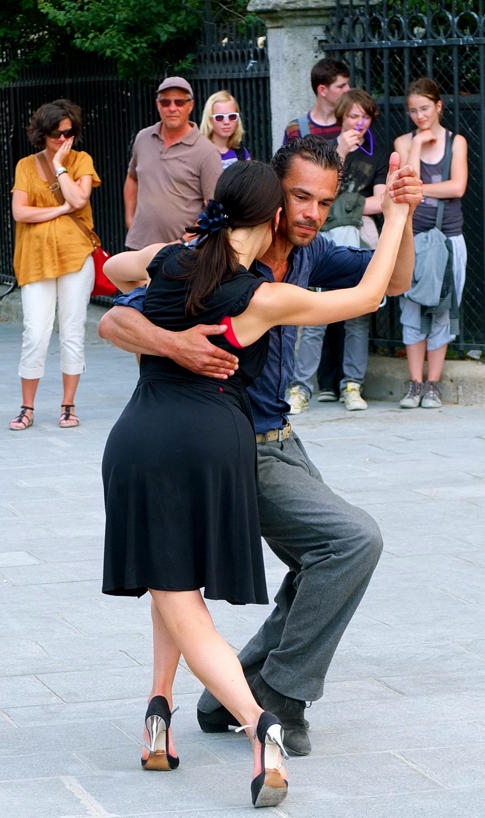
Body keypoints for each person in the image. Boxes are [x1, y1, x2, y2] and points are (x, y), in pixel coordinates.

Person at [101, 156, 410, 807]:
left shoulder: (176, 258)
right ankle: (260, 714)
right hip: (220, 443)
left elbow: (113, 271)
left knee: (173, 583)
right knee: (185, 586)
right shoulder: (260, 297)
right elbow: (365, 299)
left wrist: (167, 322)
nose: (309, 214)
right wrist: (400, 214)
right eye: (296, 201)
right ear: (270, 213)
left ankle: (183, 706)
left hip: (152, 437)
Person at [288, 90, 390, 413]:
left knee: (358, 316)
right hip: (327, 238)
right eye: (353, 116)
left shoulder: (377, 152)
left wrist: (343, 207)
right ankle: (300, 388)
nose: (360, 123)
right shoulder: (329, 150)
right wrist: (341, 152)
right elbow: (322, 191)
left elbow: (382, 201)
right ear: (341, 118)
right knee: (314, 316)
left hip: (359, 238)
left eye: (365, 117)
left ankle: (352, 385)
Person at [9, 99, 101, 430]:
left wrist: (61, 166)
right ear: (42, 134)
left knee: (73, 330)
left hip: (75, 255)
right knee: (35, 331)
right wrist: (60, 211)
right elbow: (21, 212)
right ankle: (27, 406)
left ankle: (68, 405)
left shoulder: (81, 160)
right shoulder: (26, 165)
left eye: (68, 133)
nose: (63, 140)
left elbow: (79, 199)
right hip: (35, 258)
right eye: (55, 135)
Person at [394, 78, 468, 409]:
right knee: (411, 308)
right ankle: (415, 384)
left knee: (442, 308)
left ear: (438, 106)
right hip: (413, 237)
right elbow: (405, 178)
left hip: (449, 238)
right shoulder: (403, 141)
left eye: (425, 108)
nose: (419, 115)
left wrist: (419, 190)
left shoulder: (457, 142)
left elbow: (457, 187)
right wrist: (419, 144)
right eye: (413, 111)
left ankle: (433, 385)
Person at [124, 76, 222, 250]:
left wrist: (185, 240)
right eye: (166, 102)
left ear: (190, 105)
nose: (172, 108)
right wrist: (130, 219)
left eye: (179, 102)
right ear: (157, 104)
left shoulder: (206, 151)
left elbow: (213, 209)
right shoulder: (143, 138)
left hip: (182, 252)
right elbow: (132, 178)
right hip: (140, 247)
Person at [282, 58, 350, 145]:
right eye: (341, 86)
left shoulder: (352, 122)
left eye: (348, 84)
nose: (348, 89)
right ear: (322, 90)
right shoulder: (295, 129)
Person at [199, 89, 251, 168]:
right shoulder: (199, 154)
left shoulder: (242, 153)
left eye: (232, 116)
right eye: (219, 117)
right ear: (209, 120)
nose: (226, 122)